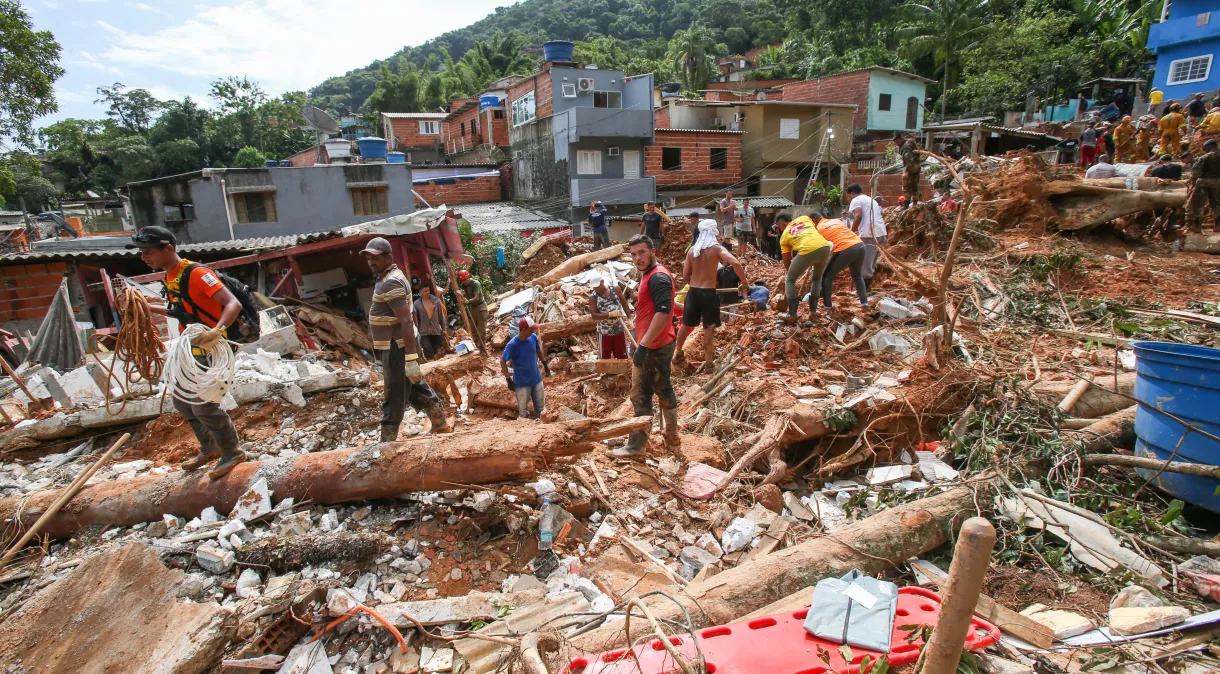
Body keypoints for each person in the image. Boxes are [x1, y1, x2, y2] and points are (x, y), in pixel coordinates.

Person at [127, 226, 247, 478]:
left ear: (168, 248)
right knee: (182, 401)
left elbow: (232, 303)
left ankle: (232, 451)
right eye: (142, 252)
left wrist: (216, 330)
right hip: (191, 346)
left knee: (203, 404)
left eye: (149, 252)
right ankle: (210, 448)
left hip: (210, 346)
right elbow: (181, 311)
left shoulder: (197, 274)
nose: (144, 257)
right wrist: (145, 306)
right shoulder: (172, 276)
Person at [360, 237, 451, 441]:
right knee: (413, 387)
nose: (371, 262)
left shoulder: (391, 282)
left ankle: (386, 443)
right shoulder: (388, 277)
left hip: (397, 346)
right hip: (396, 345)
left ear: (388, 257)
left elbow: (406, 321)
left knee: (394, 393)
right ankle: (440, 422)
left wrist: (410, 358)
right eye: (368, 258)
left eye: (375, 258)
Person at [615, 234, 679, 457]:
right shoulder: (650, 274)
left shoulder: (658, 277)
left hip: (653, 347)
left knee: (641, 395)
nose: (637, 258)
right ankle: (672, 436)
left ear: (653, 252)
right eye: (633, 254)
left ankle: (636, 447)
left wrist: (643, 345)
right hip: (661, 342)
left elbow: (663, 312)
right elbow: (663, 308)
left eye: (642, 252)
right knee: (663, 387)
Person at [674, 220, 747, 368]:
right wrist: (744, 282)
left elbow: (685, 275)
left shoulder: (692, 251)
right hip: (708, 293)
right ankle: (708, 362)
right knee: (708, 327)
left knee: (685, 324)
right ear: (714, 232)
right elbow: (736, 263)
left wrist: (694, 283)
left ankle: (677, 352)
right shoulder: (717, 249)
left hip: (693, 292)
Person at [777, 213, 831, 323]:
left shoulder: (784, 237)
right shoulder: (804, 218)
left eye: (778, 226)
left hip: (807, 249)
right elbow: (815, 232)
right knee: (817, 278)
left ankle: (792, 313)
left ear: (781, 223)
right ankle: (813, 312)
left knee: (789, 280)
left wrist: (792, 274)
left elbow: (786, 260)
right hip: (825, 247)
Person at [811, 213, 869, 310]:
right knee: (857, 276)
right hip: (860, 245)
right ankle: (865, 303)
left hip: (845, 248)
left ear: (814, 220)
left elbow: (820, 248)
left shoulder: (818, 229)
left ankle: (827, 306)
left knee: (826, 276)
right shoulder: (836, 221)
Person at [501, 317, 549, 419]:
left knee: (541, 409)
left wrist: (545, 364)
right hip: (521, 383)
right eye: (531, 329)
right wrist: (508, 379)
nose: (534, 331)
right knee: (523, 412)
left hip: (536, 379)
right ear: (524, 330)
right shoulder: (513, 344)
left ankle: (541, 426)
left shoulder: (533, 337)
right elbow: (502, 361)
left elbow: (538, 350)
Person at [845, 184, 886, 293]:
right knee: (871, 263)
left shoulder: (856, 200)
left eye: (848, 196)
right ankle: (866, 289)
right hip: (881, 233)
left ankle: (863, 292)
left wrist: (851, 232)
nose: (848, 198)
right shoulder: (871, 200)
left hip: (869, 234)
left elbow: (858, 215)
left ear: (852, 193)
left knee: (865, 264)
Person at [588, 274, 631, 360]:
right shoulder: (593, 297)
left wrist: (629, 319)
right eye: (594, 287)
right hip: (605, 332)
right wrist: (610, 314)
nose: (596, 289)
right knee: (604, 359)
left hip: (619, 329)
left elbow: (624, 303)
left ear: (602, 282)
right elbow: (594, 316)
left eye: (598, 286)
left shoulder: (616, 290)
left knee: (622, 358)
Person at [1187, 139, 1220, 233]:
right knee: (1217, 203)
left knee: (1198, 203)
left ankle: (1197, 225)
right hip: (1218, 182)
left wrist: (1191, 182)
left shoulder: (1204, 157)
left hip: (1203, 182)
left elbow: (1195, 173)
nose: (1204, 150)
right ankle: (1218, 225)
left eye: (1205, 148)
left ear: (1209, 147)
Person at [413, 283, 447, 361]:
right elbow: (416, 319)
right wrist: (417, 331)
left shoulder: (436, 301)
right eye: (425, 291)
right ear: (420, 292)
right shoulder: (416, 304)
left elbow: (441, 316)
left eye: (428, 290)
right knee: (428, 352)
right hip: (424, 332)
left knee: (436, 351)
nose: (428, 292)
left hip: (436, 330)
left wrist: (444, 329)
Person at [456, 270, 488, 349]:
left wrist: (468, 301)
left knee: (481, 328)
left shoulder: (475, 284)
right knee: (473, 328)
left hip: (480, 306)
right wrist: (462, 294)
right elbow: (465, 295)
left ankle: (483, 347)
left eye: (465, 279)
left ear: (468, 277)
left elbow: (476, 298)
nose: (464, 281)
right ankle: (476, 346)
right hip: (473, 307)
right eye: (462, 280)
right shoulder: (463, 285)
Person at [897, 133, 925, 205]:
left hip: (910, 166)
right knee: (914, 185)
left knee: (906, 185)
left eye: (897, 142)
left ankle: (907, 201)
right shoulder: (911, 141)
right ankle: (915, 201)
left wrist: (906, 170)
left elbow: (907, 158)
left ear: (900, 139)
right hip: (918, 166)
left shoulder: (905, 146)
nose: (897, 144)